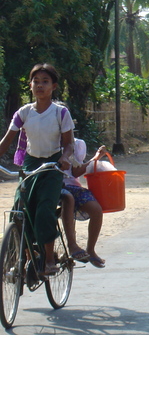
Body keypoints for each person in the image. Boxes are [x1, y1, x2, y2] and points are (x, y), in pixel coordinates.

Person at [0, 63, 75, 276]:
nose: (40, 85)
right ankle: (20, 258)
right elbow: (6, 141)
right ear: (30, 86)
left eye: (45, 81)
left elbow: (69, 143)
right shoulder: (23, 113)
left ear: (53, 86)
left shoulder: (61, 113)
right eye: (36, 81)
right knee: (19, 210)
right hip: (30, 164)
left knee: (44, 209)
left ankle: (49, 259)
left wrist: (64, 157)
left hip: (52, 165)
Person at [61, 140, 108, 268]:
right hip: (51, 185)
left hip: (71, 186)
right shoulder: (46, 141)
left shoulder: (76, 144)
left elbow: (76, 172)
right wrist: (96, 157)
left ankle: (90, 249)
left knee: (96, 210)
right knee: (66, 199)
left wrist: (96, 158)